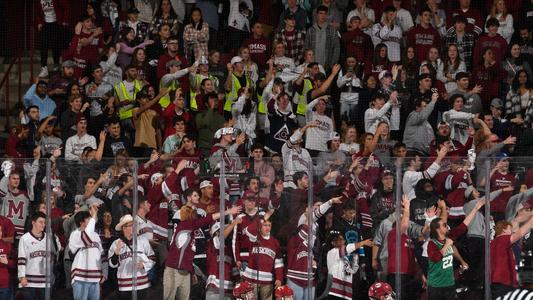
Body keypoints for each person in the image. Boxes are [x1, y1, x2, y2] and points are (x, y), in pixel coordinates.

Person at [164, 200, 241, 300]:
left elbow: (187, 256)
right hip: (175, 270)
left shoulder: (191, 234)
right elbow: (209, 220)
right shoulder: (186, 226)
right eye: (194, 214)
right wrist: (229, 215)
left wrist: (191, 272)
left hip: (186, 271)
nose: (196, 216)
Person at [425, 198, 485, 300]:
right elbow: (436, 258)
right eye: (444, 225)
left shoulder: (450, 237)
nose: (447, 227)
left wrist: (475, 209)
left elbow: (464, 225)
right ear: (437, 229)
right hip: (436, 286)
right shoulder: (432, 243)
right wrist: (447, 245)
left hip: (449, 284)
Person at [108, 214, 155, 300]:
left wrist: (144, 265)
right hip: (124, 286)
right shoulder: (116, 243)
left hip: (142, 284)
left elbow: (152, 258)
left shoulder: (143, 241)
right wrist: (116, 253)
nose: (134, 227)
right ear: (124, 228)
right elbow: (112, 264)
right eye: (131, 225)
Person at [18, 212, 60, 300]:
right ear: (33, 223)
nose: (43, 225)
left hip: (45, 281)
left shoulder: (49, 238)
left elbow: (56, 253)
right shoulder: (25, 238)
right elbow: (21, 259)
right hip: (29, 281)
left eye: (44, 223)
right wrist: (22, 277)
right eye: (40, 222)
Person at [68, 205, 105, 300]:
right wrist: (94, 215)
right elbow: (86, 237)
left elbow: (101, 255)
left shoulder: (96, 235)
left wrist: (104, 272)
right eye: (88, 219)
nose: (92, 220)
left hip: (95, 278)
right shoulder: (75, 234)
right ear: (81, 222)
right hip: (81, 278)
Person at [491, 216, 533, 298]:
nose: (512, 232)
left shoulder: (492, 244)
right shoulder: (502, 239)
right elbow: (522, 232)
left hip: (496, 282)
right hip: (504, 281)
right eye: (510, 229)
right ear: (503, 230)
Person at [35, 0, 69, 77]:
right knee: (43, 46)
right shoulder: (39, 1)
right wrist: (39, 22)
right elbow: (37, 13)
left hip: (56, 24)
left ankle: (56, 66)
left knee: (55, 46)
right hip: (45, 24)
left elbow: (66, 8)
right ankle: (44, 68)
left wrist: (64, 20)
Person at [305, 6, 340, 71]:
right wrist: (308, 62)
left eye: (325, 14)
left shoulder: (332, 30)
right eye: (321, 13)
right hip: (312, 66)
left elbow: (337, 48)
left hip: (327, 66)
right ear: (316, 15)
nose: (323, 16)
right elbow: (306, 48)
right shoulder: (310, 30)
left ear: (327, 16)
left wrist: (333, 63)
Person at [0, 171, 30, 239]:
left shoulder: (25, 196)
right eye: (14, 178)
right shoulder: (4, 194)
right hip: (5, 232)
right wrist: (6, 175)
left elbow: (28, 215)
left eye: (18, 178)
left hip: (20, 233)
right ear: (8, 180)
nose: (16, 181)